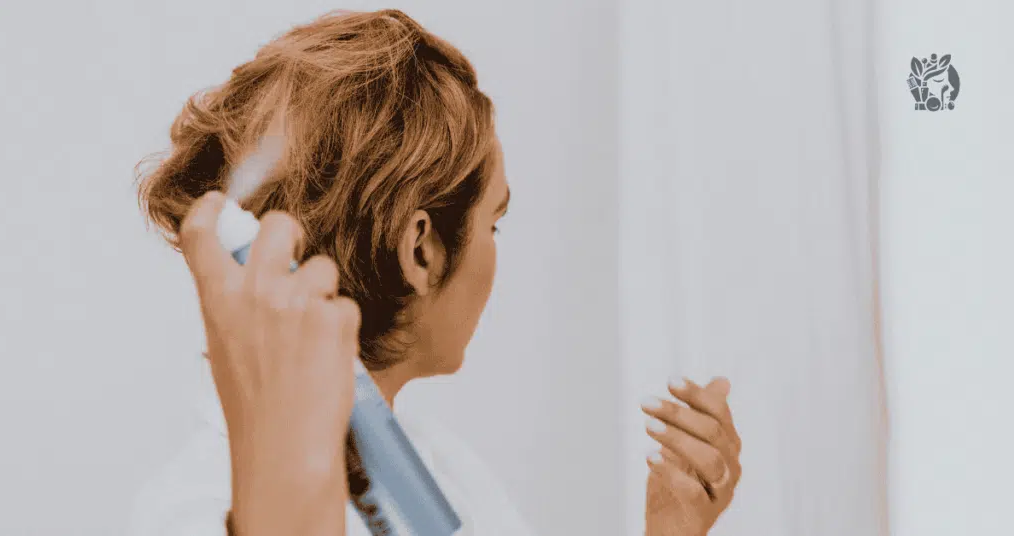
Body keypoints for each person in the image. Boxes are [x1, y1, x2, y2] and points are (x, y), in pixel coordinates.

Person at [129, 9, 743, 536]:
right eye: (491, 224)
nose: (494, 252)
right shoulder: (199, 513)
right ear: (421, 248)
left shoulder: (437, 472)